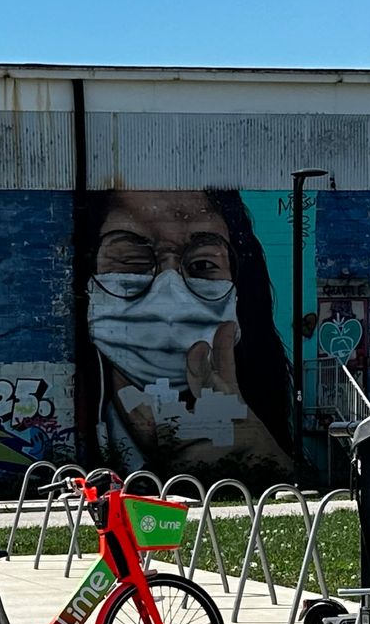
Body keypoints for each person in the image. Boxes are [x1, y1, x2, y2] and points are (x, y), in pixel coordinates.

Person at [80, 189, 294, 476]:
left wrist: (269, 466)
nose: (171, 300)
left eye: (203, 265)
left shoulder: (256, 430)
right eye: (131, 260)